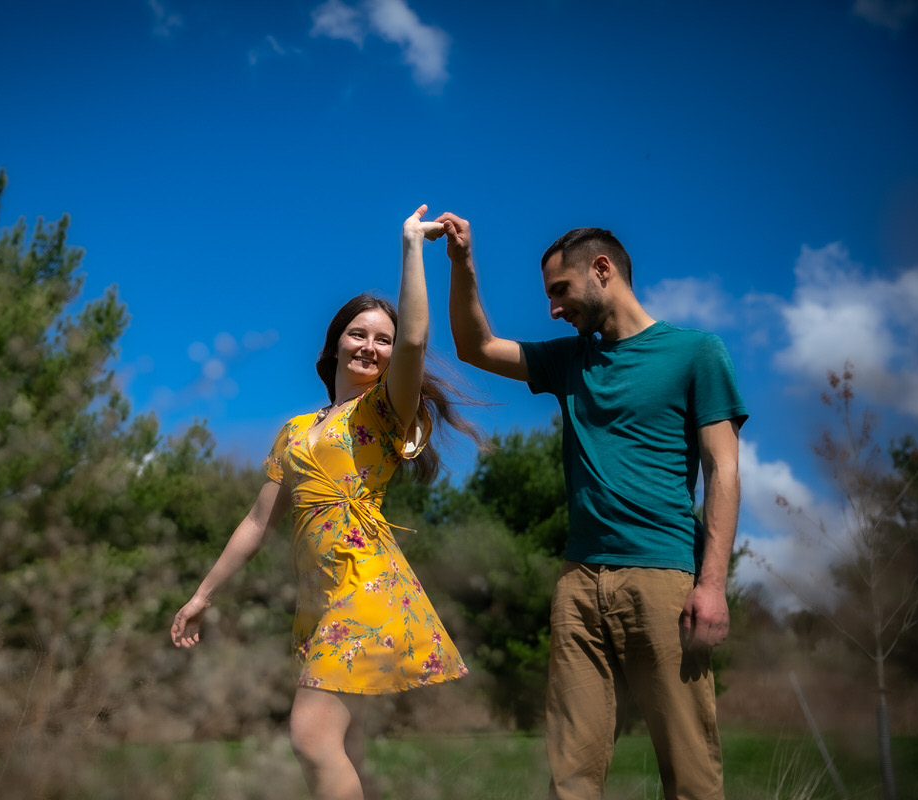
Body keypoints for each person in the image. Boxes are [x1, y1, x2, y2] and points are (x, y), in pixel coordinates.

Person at [171, 205, 477, 800]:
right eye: (358, 333)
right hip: (319, 603)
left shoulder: (386, 412)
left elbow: (416, 335)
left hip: (367, 590)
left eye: (382, 340)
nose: (370, 346)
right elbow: (258, 520)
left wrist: (412, 245)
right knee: (346, 748)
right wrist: (202, 595)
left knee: (311, 737)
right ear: (335, 343)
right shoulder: (294, 429)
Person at [437, 213, 746, 800]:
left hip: (663, 580)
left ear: (602, 271)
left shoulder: (695, 353)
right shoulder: (571, 361)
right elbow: (474, 346)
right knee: (571, 778)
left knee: (691, 776)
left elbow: (723, 471)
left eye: (560, 291)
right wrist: (462, 263)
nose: (554, 309)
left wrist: (713, 583)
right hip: (577, 586)